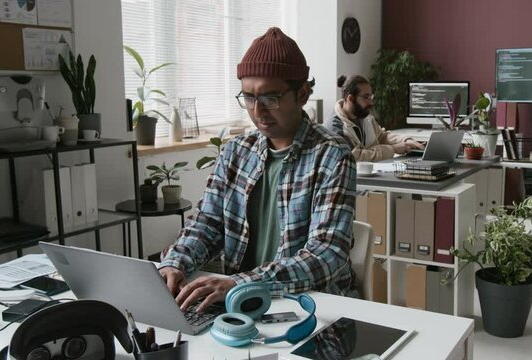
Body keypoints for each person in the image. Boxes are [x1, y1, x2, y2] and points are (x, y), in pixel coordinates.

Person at [158, 27, 358, 313]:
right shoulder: (235, 152)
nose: (257, 111)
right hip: (239, 304)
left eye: (269, 98)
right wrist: (175, 262)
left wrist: (242, 283)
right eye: (249, 98)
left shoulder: (332, 155)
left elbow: (326, 254)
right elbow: (207, 224)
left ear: (302, 94)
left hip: (309, 306)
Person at [324, 75, 423, 161]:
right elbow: (354, 157)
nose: (371, 102)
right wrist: (393, 149)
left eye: (371, 97)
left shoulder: (364, 116)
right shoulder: (335, 127)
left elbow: (381, 136)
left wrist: (405, 140)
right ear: (350, 99)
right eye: (366, 97)